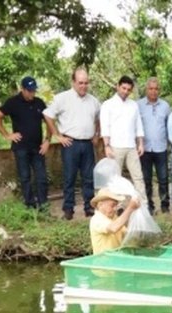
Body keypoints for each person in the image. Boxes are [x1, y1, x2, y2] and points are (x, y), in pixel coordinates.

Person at [43, 67, 101, 220]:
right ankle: (68, 210)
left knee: (89, 177)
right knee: (70, 177)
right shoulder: (62, 98)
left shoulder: (93, 101)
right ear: (73, 82)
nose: (83, 86)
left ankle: (89, 208)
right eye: (80, 83)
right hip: (70, 144)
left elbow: (99, 118)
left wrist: (96, 134)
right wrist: (57, 135)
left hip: (87, 144)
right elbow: (48, 116)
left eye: (86, 83)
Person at [0, 76, 53, 210]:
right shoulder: (13, 102)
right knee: (25, 178)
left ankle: (43, 205)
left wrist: (48, 140)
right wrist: (7, 135)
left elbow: (49, 121)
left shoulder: (39, 103)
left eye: (34, 91)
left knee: (41, 177)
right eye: (29, 91)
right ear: (22, 89)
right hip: (21, 148)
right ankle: (29, 205)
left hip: (38, 147)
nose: (32, 93)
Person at [99, 75, 147, 202]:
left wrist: (140, 143)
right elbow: (105, 127)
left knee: (138, 177)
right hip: (115, 147)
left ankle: (143, 204)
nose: (125, 91)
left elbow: (138, 125)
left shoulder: (133, 105)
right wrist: (107, 146)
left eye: (128, 89)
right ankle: (117, 206)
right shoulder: (107, 105)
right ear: (118, 86)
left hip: (131, 146)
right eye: (123, 88)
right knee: (115, 178)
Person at [137, 77, 171, 215]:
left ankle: (165, 205)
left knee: (163, 178)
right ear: (146, 89)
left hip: (161, 148)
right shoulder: (138, 105)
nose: (153, 91)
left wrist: (170, 144)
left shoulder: (165, 106)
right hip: (144, 149)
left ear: (159, 90)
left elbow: (169, 126)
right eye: (151, 88)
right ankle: (149, 206)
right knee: (146, 179)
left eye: (156, 89)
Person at [89, 187, 140, 254]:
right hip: (104, 261)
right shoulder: (97, 219)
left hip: (117, 258)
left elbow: (126, 233)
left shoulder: (113, 217)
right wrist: (130, 208)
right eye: (112, 206)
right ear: (101, 205)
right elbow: (113, 228)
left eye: (116, 205)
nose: (115, 209)